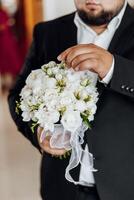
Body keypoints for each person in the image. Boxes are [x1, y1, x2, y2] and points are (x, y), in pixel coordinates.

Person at [8, 0, 134, 200]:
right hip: (60, 188)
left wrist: (113, 68)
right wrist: (38, 132)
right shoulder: (47, 32)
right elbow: (17, 94)